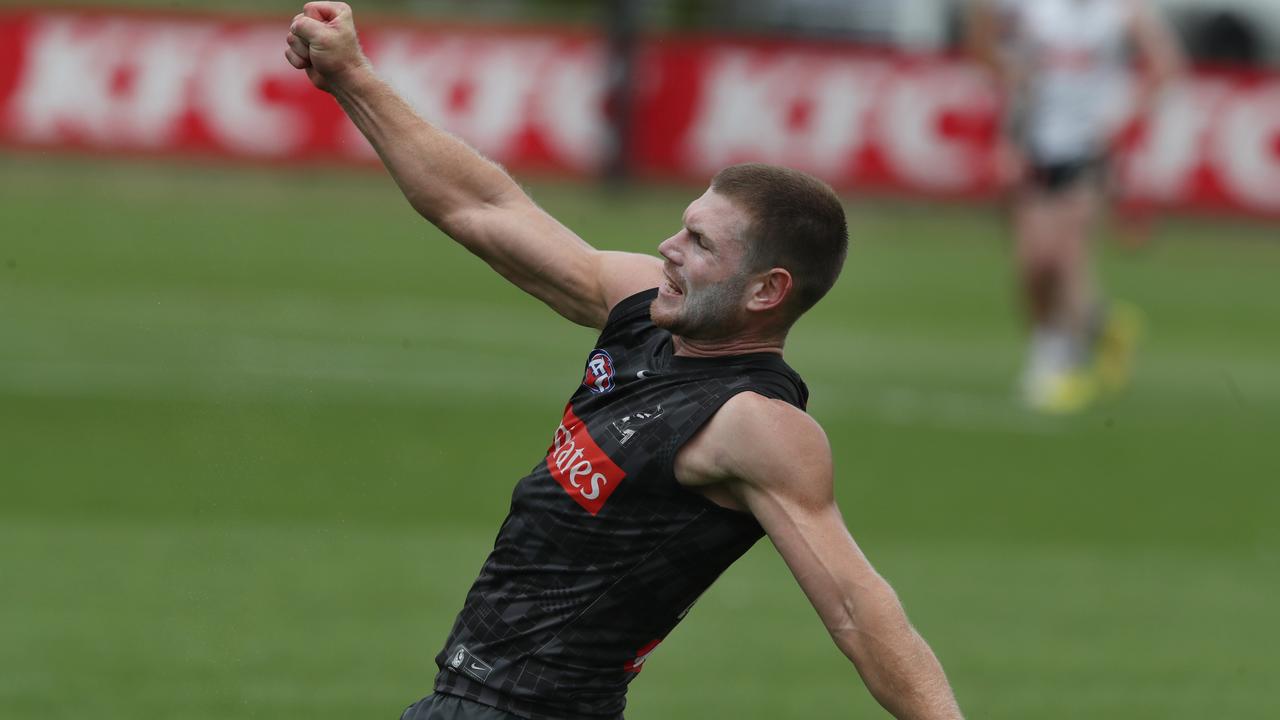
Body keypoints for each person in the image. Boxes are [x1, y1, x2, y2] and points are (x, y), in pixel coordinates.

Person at [285, 4, 965, 719]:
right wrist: (354, 78)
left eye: (701, 244)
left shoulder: (753, 426)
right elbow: (480, 207)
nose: (670, 248)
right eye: (683, 225)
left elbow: (860, 613)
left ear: (767, 291)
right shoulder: (644, 307)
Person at [966, 0, 1184, 413]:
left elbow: (1165, 64)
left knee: (1066, 257)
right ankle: (1097, 329)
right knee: (1033, 264)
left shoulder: (1120, 12)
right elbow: (983, 42)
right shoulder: (1036, 11)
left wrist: (1119, 122)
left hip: (1088, 152)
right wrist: (1011, 101)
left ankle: (1059, 365)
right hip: (1036, 148)